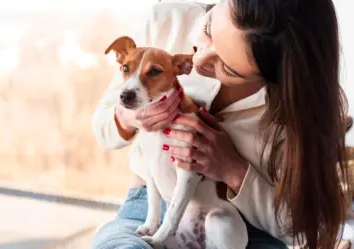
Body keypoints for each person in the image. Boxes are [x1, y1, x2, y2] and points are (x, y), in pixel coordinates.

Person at [91, 0, 350, 249]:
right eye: (207, 29)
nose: (199, 60)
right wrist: (129, 116)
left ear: (274, 77)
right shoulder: (166, 20)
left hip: (242, 225)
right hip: (147, 207)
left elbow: (296, 227)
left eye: (228, 68)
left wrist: (233, 170)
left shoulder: (297, 109)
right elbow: (102, 128)